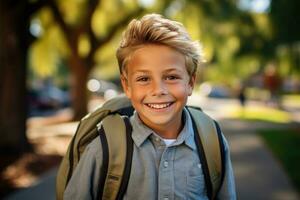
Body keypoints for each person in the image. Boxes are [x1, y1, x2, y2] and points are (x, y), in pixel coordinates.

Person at [64, 13, 236, 199]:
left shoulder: (211, 142)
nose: (158, 90)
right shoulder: (104, 149)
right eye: (144, 79)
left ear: (191, 83)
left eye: (171, 77)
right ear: (127, 86)